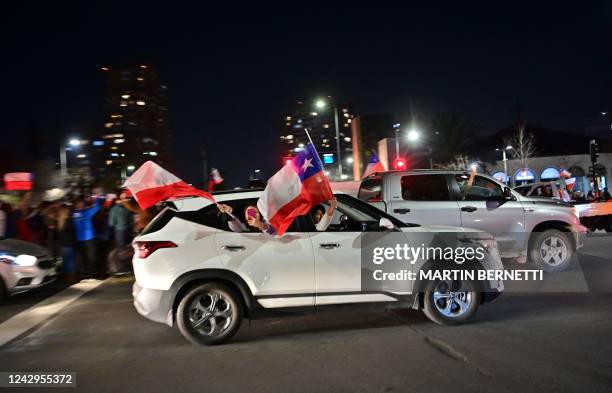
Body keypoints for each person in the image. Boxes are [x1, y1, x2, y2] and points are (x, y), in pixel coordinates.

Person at [73, 195, 103, 280]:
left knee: (83, 257)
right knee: (92, 257)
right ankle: (92, 274)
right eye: (81, 203)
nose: (83, 204)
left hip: (79, 239)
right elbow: (97, 207)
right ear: (79, 204)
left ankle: (85, 274)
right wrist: (97, 198)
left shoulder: (74, 213)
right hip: (89, 238)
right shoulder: (85, 213)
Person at [57, 203, 77, 282]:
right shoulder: (70, 220)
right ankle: (71, 276)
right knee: (70, 261)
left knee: (65, 260)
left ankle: (66, 276)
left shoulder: (60, 221)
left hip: (63, 243)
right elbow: (73, 232)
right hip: (70, 243)